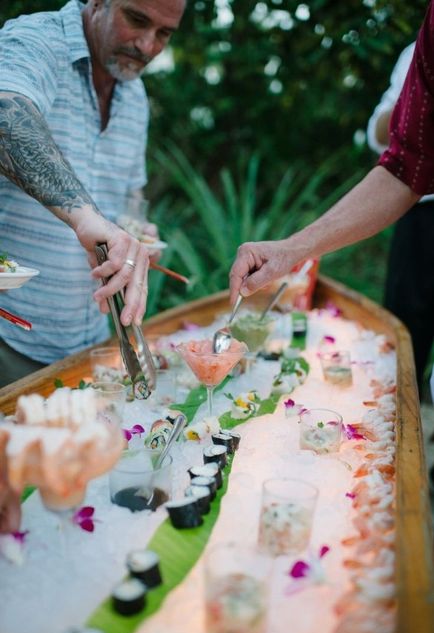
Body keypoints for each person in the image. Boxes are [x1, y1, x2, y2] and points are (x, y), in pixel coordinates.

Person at [229, 0, 434, 372]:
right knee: (409, 325)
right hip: (421, 211)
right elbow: (405, 167)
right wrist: (289, 251)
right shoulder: (427, 41)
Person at [0, 0, 186, 388]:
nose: (148, 46)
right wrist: (87, 218)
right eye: (136, 20)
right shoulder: (35, 40)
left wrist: (137, 234)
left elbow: (128, 196)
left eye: (164, 34)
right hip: (11, 336)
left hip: (91, 344)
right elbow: (6, 115)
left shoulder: (135, 98)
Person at [367, 42, 434, 395]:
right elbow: (382, 143)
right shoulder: (416, 51)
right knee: (405, 330)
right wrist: (414, 106)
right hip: (420, 211)